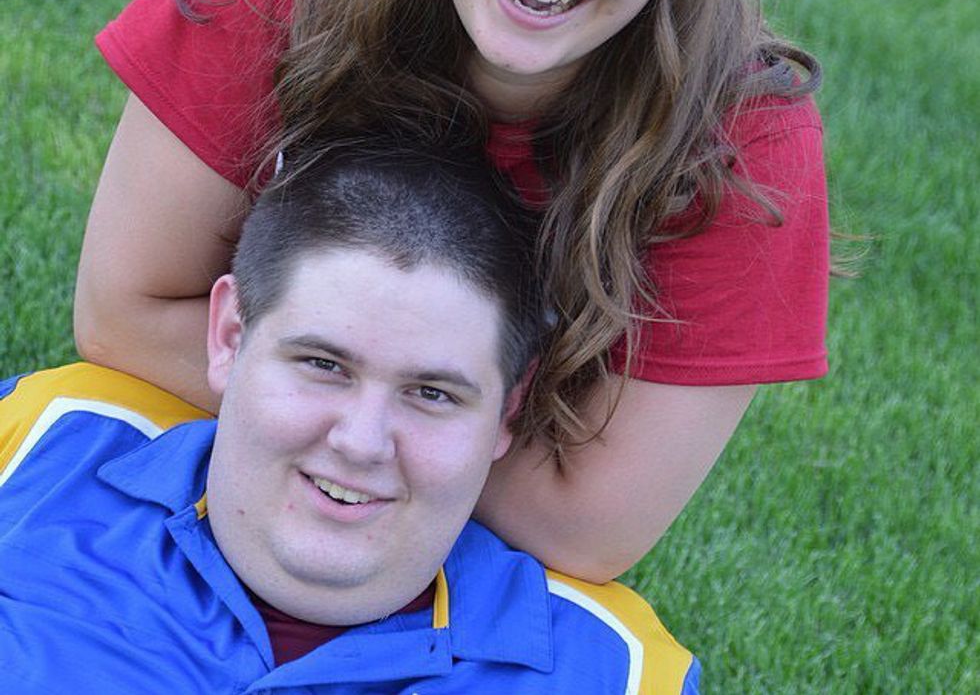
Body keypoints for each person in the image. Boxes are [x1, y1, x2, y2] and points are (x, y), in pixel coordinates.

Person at [75, 0, 830, 583]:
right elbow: (125, 314)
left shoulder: (741, 142)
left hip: (455, 573)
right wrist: (399, 434)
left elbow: (586, 527)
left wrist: (341, 427)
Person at [0, 145, 701, 693]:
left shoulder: (618, 672)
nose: (362, 443)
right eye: (323, 364)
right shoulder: (42, 442)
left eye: (431, 394)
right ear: (229, 337)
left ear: (507, 412)